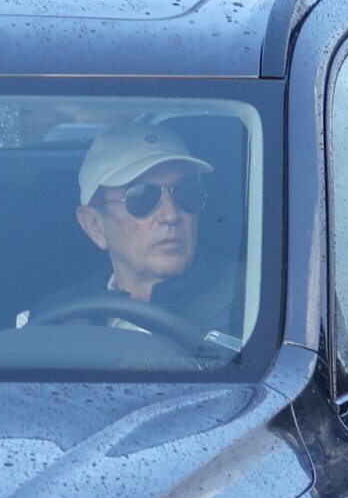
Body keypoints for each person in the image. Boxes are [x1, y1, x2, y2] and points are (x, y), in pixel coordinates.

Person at [16, 123, 242, 341]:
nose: (171, 215)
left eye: (187, 194)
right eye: (142, 198)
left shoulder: (255, 306)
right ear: (94, 225)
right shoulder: (45, 325)